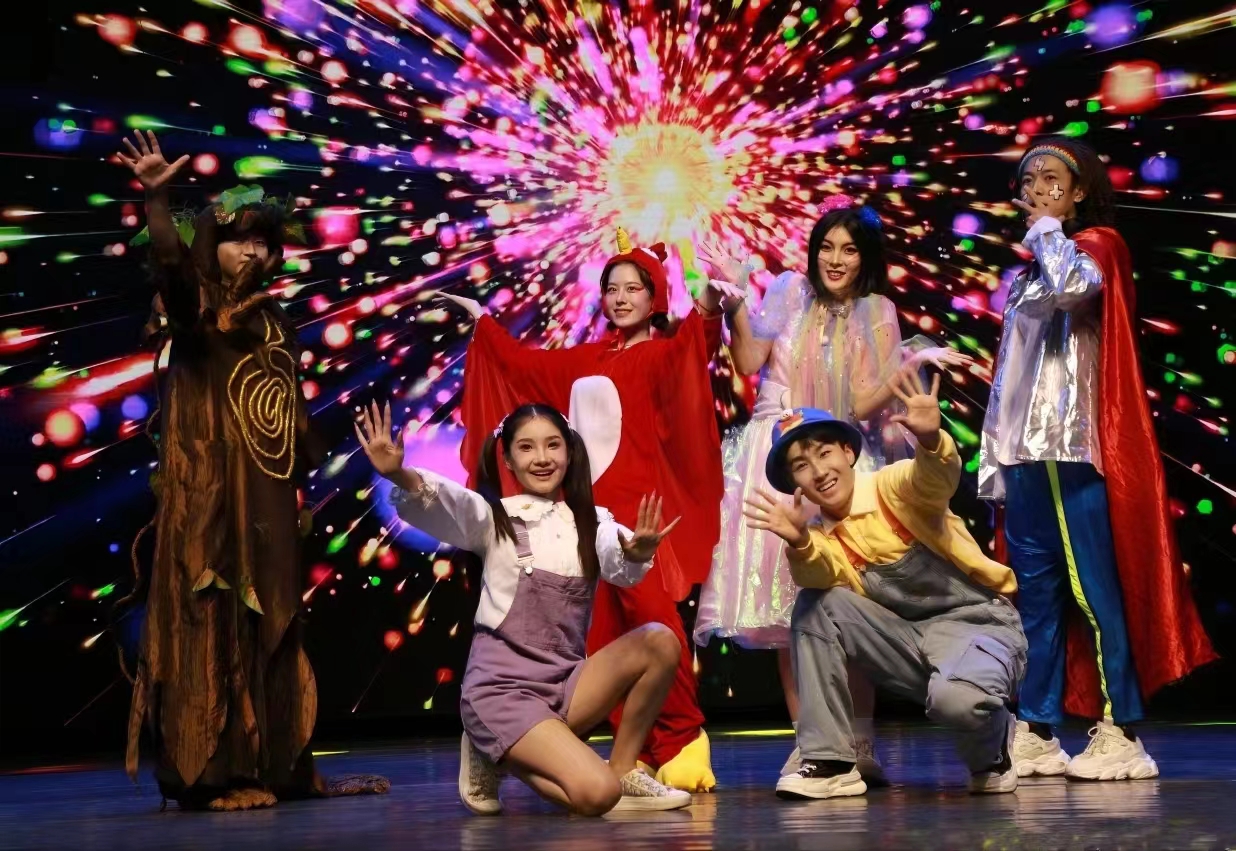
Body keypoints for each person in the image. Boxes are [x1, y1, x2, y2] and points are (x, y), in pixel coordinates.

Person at [116, 131, 388, 810]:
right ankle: (214, 777)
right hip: (212, 499)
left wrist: (300, 489)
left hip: (266, 497)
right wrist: (157, 201)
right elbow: (174, 274)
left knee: (272, 621)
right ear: (213, 243)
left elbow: (283, 416)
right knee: (212, 619)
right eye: (239, 240)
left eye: (265, 243)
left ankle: (276, 767)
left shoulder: (275, 321)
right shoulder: (195, 309)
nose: (254, 253)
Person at [693, 197, 974, 782]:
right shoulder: (789, 290)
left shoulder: (876, 310)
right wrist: (736, 298)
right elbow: (749, 357)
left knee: (853, 598)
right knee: (789, 612)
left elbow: (862, 402)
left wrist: (907, 364)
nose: (836, 259)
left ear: (866, 257)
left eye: (849, 249)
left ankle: (860, 741)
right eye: (827, 247)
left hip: (840, 456)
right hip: (777, 454)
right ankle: (811, 741)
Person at [439, 228, 725, 791]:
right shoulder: (585, 360)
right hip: (584, 521)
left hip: (639, 517)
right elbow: (522, 366)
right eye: (611, 289)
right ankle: (634, 754)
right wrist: (483, 322)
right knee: (600, 635)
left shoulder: (660, 354)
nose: (620, 298)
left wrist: (711, 305)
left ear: (654, 296)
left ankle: (682, 740)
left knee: (656, 623)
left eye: (633, 288)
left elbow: (694, 350)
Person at [980, 136, 1215, 779]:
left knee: (1093, 591)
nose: (1035, 189)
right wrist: (996, 458)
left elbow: (1073, 289)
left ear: (1080, 189)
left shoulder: (1096, 246)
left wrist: (1047, 232)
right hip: (1026, 456)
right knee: (1037, 597)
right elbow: (1013, 374)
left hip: (1072, 448)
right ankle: (1037, 726)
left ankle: (1121, 728)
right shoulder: (1030, 271)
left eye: (1050, 178)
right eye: (1027, 180)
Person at [356, 401, 692, 815]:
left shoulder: (592, 522)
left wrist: (636, 551)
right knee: (598, 794)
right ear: (508, 460)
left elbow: (618, 554)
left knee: (660, 640)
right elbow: (449, 501)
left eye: (553, 445)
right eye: (527, 447)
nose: (542, 458)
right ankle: (493, 747)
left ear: (569, 452)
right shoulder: (493, 518)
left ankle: (623, 768)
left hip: (565, 686)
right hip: (502, 693)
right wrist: (399, 474)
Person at [745, 368, 1026, 799]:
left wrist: (930, 441)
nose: (818, 471)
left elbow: (932, 480)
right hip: (909, 644)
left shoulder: (889, 486)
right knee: (815, 605)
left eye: (824, 453)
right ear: (794, 483)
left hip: (979, 626)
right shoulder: (822, 538)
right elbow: (817, 572)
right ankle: (831, 761)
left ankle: (994, 747)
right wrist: (799, 541)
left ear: (847, 452)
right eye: (801, 466)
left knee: (958, 703)